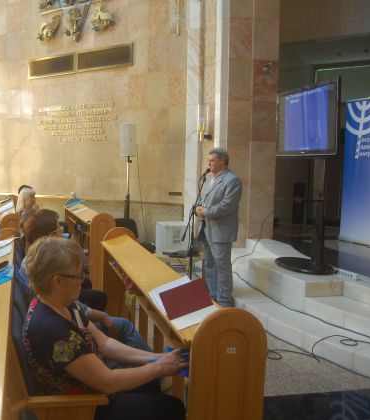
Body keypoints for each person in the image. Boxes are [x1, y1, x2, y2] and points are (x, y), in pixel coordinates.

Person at [22, 237, 186, 420]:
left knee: (152, 384)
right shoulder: (51, 329)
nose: (82, 281)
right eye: (78, 275)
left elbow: (105, 343)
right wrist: (160, 367)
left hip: (93, 392)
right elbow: (108, 382)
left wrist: (156, 358)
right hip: (83, 409)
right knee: (173, 407)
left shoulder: (63, 304)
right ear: (58, 282)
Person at [18, 209, 151, 358]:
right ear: (50, 237)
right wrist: (158, 365)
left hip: (79, 328)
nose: (62, 232)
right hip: (80, 336)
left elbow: (78, 313)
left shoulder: (35, 262)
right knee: (121, 323)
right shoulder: (55, 327)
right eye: (59, 229)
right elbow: (104, 371)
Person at [194, 147, 242, 308]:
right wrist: (198, 208)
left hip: (221, 230)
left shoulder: (232, 180)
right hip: (207, 228)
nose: (209, 164)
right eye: (208, 161)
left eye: (212, 161)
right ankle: (213, 295)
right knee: (209, 264)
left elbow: (227, 205)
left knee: (222, 266)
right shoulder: (209, 179)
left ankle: (225, 301)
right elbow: (203, 199)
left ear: (223, 161)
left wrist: (206, 212)